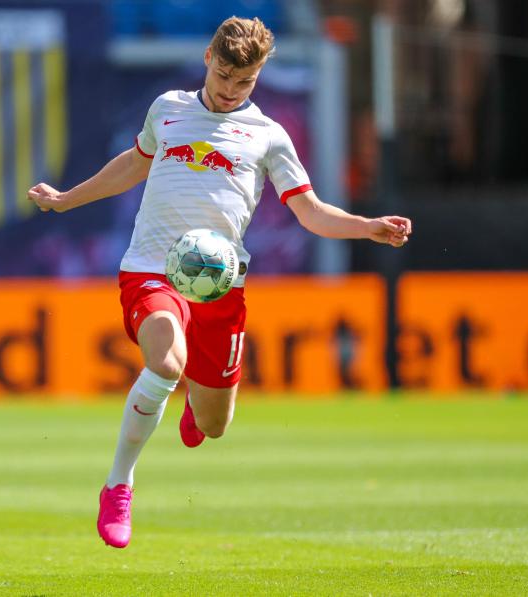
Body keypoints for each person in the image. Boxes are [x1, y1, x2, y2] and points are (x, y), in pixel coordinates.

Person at [27, 16, 412, 549]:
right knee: (164, 363)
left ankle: (195, 404)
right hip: (153, 270)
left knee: (213, 426)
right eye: (225, 77)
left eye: (244, 82)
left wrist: (368, 227)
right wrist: (66, 198)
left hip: (219, 287)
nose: (231, 91)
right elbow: (132, 167)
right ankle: (119, 484)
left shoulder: (268, 137)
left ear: (257, 78)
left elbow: (311, 213)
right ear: (209, 58)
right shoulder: (168, 109)